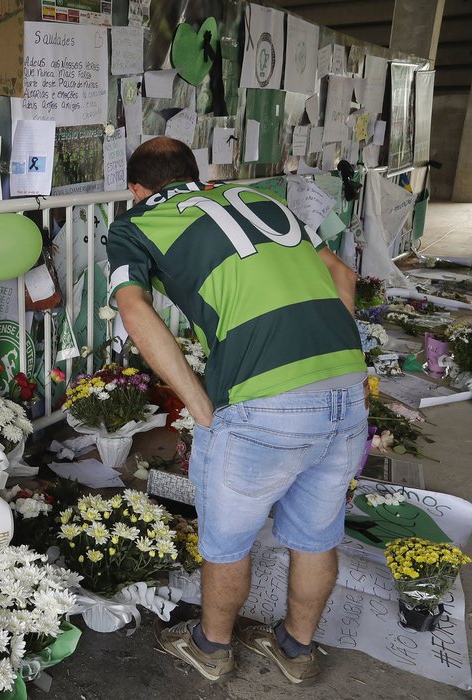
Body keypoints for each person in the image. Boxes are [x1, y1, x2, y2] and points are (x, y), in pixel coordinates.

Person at [107, 137, 367, 684]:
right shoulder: (262, 199)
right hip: (345, 385)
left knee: (227, 540)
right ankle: (296, 651)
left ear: (136, 190)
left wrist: (198, 402)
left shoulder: (134, 225)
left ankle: (212, 646)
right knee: (317, 534)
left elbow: (134, 309)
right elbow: (343, 275)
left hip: (262, 399)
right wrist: (330, 359)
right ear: (197, 176)